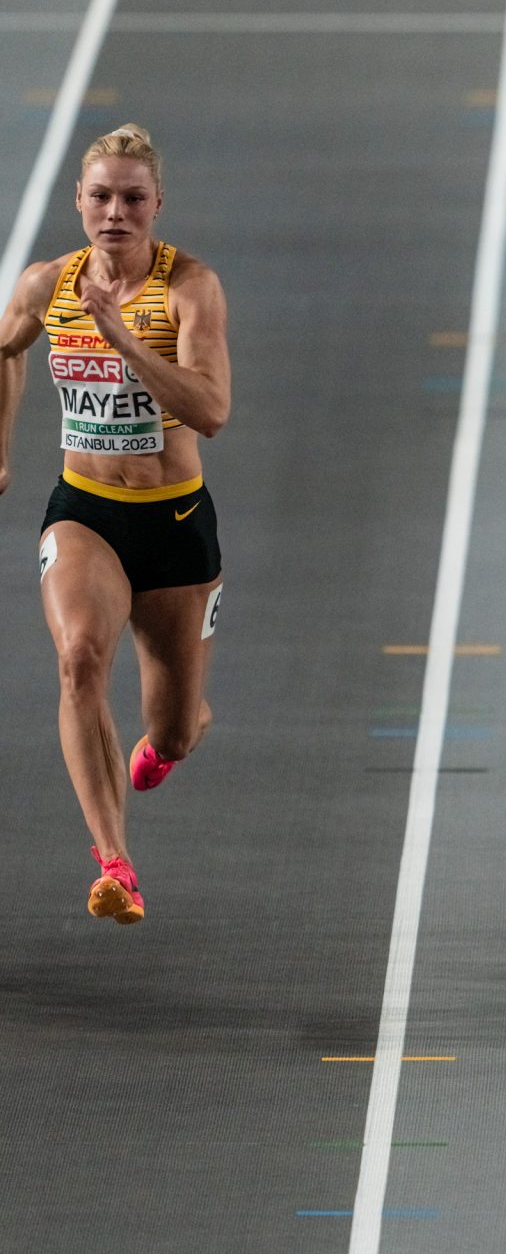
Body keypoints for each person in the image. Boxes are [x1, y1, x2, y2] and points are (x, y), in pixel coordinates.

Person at [0, 124, 232, 924]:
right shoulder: (46, 285)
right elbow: (5, 348)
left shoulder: (188, 289)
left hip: (173, 525)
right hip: (85, 512)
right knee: (78, 659)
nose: (115, 213)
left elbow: (212, 411)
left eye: (133, 198)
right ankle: (116, 862)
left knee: (170, 731)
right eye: (101, 196)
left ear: (157, 205)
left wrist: (122, 338)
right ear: (79, 201)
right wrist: (0, 451)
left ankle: (175, 734)